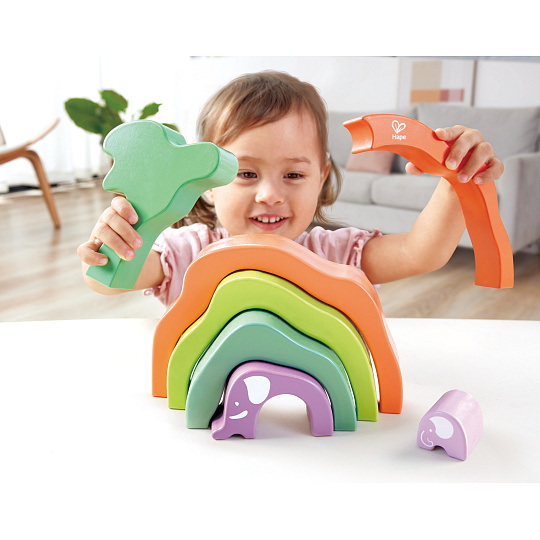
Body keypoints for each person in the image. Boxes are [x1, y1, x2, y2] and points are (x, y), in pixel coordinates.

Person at [77, 70, 504, 307]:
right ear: (206, 185)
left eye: (294, 175)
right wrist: (115, 243)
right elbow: (110, 283)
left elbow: (421, 252)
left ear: (321, 177)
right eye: (246, 174)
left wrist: (457, 178)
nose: (270, 194)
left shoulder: (336, 256)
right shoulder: (186, 253)